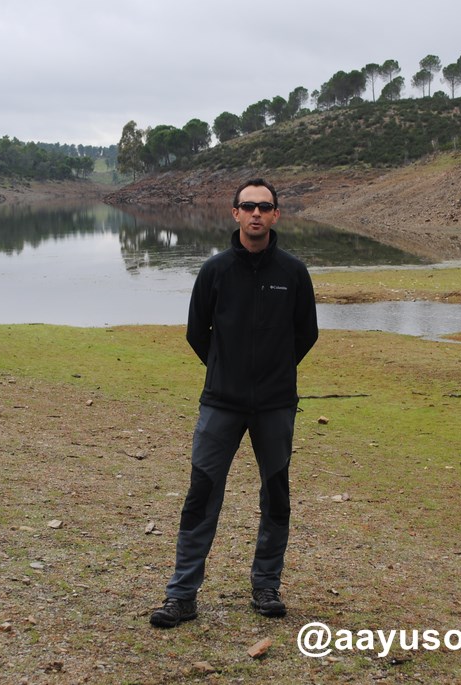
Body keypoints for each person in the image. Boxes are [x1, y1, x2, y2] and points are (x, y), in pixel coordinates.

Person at [150, 178, 319, 628]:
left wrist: (274, 372)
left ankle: (266, 587)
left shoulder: (293, 273)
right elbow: (196, 332)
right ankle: (182, 595)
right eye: (248, 206)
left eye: (264, 206)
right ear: (235, 213)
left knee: (276, 495)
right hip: (221, 404)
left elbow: (307, 334)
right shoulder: (215, 270)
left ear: (276, 214)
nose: (256, 213)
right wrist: (226, 370)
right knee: (201, 494)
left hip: (275, 405)